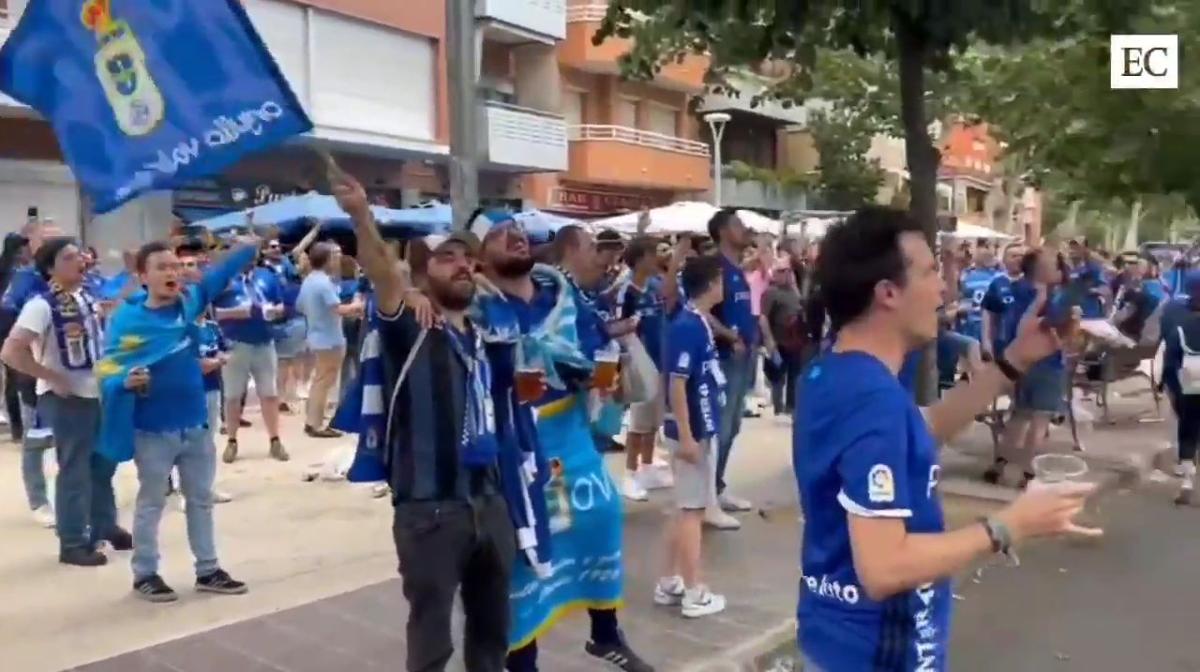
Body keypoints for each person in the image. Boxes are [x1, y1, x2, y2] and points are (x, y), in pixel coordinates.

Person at [794, 207, 1100, 672]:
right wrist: (1007, 526)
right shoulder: (873, 400)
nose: (945, 288)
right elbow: (884, 568)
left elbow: (919, 432)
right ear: (888, 293)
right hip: (879, 656)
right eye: (931, 272)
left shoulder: (832, 371)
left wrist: (1015, 358)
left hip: (832, 639)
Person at [334, 175, 548, 672]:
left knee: (493, 634)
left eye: (466, 258)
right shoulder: (410, 326)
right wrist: (362, 216)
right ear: (421, 271)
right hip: (430, 510)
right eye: (445, 257)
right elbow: (382, 277)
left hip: (489, 502)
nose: (462, 266)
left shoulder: (480, 333)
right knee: (432, 644)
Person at [444, 212, 650, 672]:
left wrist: (608, 377)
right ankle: (523, 662)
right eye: (497, 235)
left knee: (602, 517)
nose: (513, 237)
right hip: (517, 446)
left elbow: (598, 344)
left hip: (572, 432)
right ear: (479, 257)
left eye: (516, 230)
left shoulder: (562, 295)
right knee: (526, 554)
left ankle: (605, 634)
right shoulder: (475, 310)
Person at [94, 238, 254, 602]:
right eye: (163, 268)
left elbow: (218, 275)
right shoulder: (127, 320)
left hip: (195, 424)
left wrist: (247, 246)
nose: (173, 273)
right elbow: (107, 368)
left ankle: (208, 569)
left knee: (200, 499)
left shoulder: (188, 304)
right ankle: (145, 574)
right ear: (143, 276)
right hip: (152, 429)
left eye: (176, 267)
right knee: (152, 502)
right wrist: (125, 381)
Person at [1, 237, 129, 566]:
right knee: (74, 469)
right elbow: (11, 351)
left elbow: (111, 313)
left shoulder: (84, 298)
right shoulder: (41, 305)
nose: (81, 261)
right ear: (50, 268)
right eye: (70, 257)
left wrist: (133, 277)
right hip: (67, 398)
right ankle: (72, 541)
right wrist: (51, 376)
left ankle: (103, 523)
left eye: (80, 255)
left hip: (95, 391)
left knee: (101, 464)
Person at [657, 255, 729, 618]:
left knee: (684, 506)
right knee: (692, 511)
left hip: (699, 426)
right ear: (712, 283)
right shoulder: (688, 325)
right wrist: (687, 436)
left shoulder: (696, 322)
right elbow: (677, 383)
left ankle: (670, 579)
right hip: (694, 431)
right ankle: (694, 589)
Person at [984, 249, 1070, 488]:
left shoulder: (1015, 290)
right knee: (1040, 419)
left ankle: (999, 465)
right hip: (1047, 362)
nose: (1059, 269)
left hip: (1017, 361)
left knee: (1019, 415)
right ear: (1041, 270)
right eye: (1055, 265)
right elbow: (1059, 331)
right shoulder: (1050, 298)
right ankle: (1028, 472)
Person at [705, 208, 757, 529]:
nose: (745, 229)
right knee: (720, 429)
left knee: (733, 427)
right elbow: (700, 309)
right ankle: (706, 499)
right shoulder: (715, 267)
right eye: (738, 225)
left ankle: (717, 488)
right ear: (723, 231)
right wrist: (728, 335)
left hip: (743, 357)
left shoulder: (737, 270)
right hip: (724, 359)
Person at [213, 242, 287, 462]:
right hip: (235, 344)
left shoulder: (266, 276)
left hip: (264, 342)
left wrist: (276, 311)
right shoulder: (223, 280)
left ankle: (275, 440)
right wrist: (236, 313)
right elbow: (211, 313)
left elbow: (281, 304)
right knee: (233, 396)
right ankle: (232, 441)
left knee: (270, 394)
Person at [616, 237, 673, 501]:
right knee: (638, 423)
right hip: (639, 361)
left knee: (652, 420)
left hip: (659, 359)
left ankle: (647, 466)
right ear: (640, 258)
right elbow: (618, 326)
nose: (657, 258)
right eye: (652, 254)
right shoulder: (625, 289)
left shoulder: (655, 285)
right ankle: (630, 474)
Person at [296, 242, 359, 437]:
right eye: (335, 255)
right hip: (330, 338)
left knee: (320, 380)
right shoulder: (324, 283)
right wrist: (358, 303)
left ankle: (313, 421)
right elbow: (338, 309)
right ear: (327, 259)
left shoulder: (309, 280)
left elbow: (300, 306)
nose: (338, 259)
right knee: (324, 382)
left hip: (317, 335)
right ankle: (316, 424)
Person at [1159, 271, 1200, 504]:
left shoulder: (1176, 314)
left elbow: (1170, 358)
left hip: (1188, 383)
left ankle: (1187, 481)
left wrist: (1173, 387)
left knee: (1187, 430)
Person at [262, 238, 305, 414]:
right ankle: (278, 397)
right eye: (272, 247)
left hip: (290, 316)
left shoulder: (286, 264)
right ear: (264, 250)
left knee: (287, 361)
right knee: (279, 362)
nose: (277, 249)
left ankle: (283, 397)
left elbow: (300, 247)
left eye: (279, 246)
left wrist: (316, 230)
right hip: (273, 318)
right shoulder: (262, 269)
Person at [760, 256, 805, 415]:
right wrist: (769, 340)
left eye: (787, 271)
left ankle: (791, 407)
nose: (785, 274)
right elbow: (763, 317)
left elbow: (801, 306)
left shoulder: (793, 291)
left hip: (795, 340)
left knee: (795, 374)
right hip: (778, 340)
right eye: (781, 271)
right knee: (777, 375)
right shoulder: (771, 292)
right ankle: (778, 407)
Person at [980, 242, 1025, 360]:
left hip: (1027, 344)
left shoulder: (1033, 282)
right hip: (1003, 346)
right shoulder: (997, 284)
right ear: (1004, 260)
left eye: (1021, 256)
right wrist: (986, 341)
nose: (1018, 259)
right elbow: (988, 314)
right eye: (1014, 256)